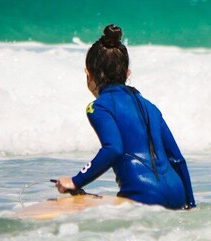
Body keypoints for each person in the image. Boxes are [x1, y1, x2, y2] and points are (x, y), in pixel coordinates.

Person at [55, 24, 196, 210]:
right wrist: (190, 204)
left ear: (88, 73)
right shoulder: (150, 107)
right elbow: (177, 159)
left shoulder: (98, 107)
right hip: (178, 193)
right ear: (127, 73)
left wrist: (76, 181)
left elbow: (113, 148)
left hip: (143, 194)